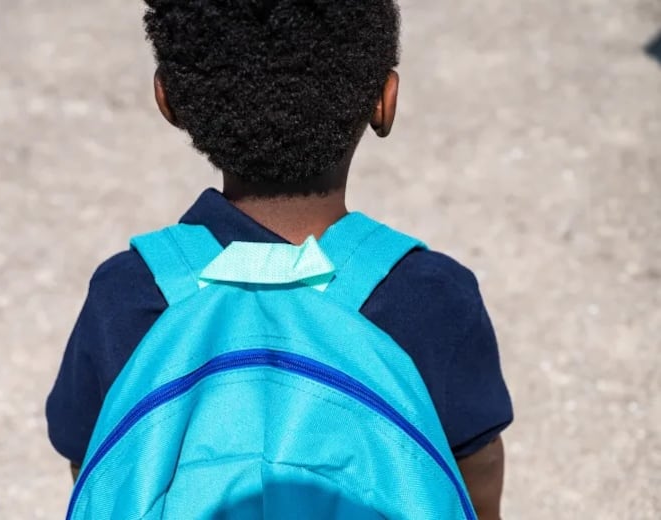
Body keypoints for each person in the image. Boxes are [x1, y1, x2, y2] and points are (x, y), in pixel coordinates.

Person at [46, 1, 513, 518]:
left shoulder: (126, 294)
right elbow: (479, 467)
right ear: (385, 101)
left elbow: (92, 467)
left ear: (168, 98)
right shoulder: (432, 295)